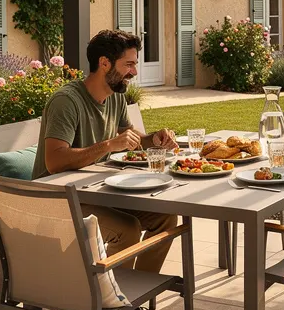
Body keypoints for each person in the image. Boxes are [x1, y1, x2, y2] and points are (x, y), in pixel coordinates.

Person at [32, 29, 179, 274]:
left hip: (94, 192)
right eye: (128, 65)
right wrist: (109, 145)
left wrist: (153, 139)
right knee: (127, 228)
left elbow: (131, 139)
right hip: (56, 199)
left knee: (165, 217)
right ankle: (112, 295)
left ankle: (136, 290)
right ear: (104, 63)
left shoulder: (115, 96)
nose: (134, 72)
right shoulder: (66, 101)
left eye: (135, 64)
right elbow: (54, 161)